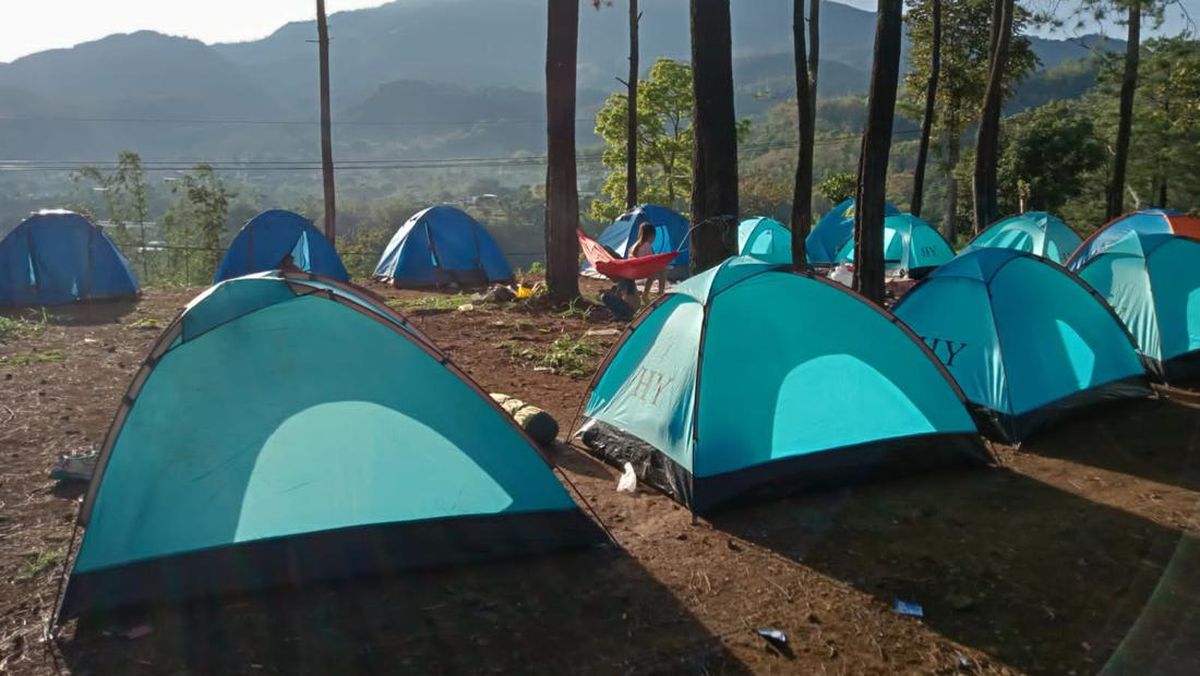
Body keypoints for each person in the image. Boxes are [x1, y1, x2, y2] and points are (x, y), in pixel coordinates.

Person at [630, 221, 668, 304]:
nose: (654, 239)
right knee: (664, 269)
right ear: (650, 235)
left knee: (654, 272)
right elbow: (650, 260)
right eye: (654, 236)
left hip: (636, 270)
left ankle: (646, 294)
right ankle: (660, 292)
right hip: (643, 270)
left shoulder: (636, 245)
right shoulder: (646, 245)